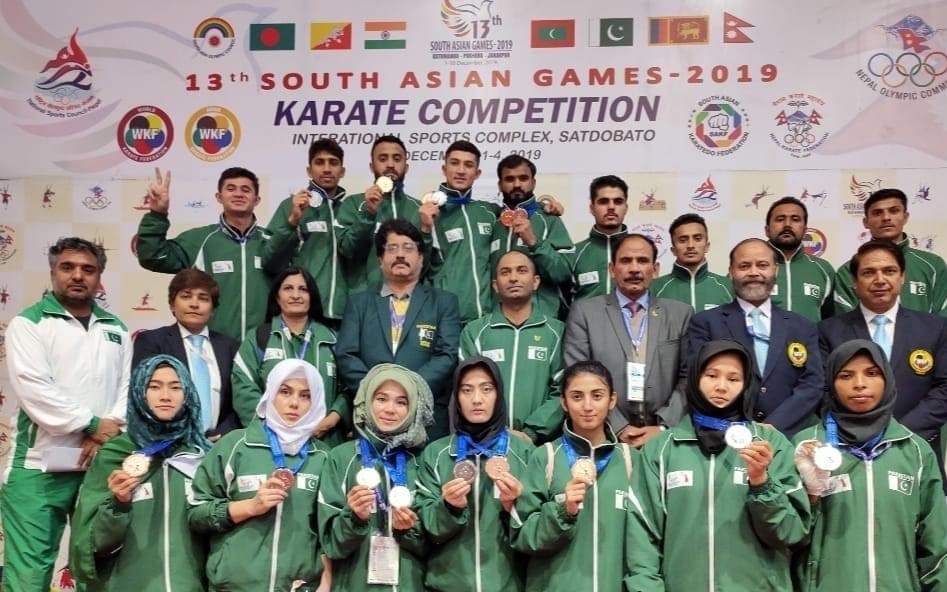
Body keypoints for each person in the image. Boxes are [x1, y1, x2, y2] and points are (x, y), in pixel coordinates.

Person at [625, 339, 811, 591]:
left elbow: (792, 532)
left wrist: (762, 483)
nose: (721, 386)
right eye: (712, 375)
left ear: (746, 385)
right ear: (695, 378)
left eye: (733, 379)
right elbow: (642, 537)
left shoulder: (769, 444)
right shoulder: (662, 449)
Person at [2, 237, 130, 591]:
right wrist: (92, 424)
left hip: (97, 464)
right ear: (53, 272)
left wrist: (106, 433)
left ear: (99, 277)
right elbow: (35, 391)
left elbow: (126, 390)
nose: (77, 276)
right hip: (38, 467)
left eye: (88, 269)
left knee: (95, 571)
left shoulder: (116, 328)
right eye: (67, 267)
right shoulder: (29, 324)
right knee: (28, 577)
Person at [793, 339, 947, 591]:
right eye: (846, 375)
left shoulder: (915, 451)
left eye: (872, 373)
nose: (859, 384)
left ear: (887, 380)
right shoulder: (806, 448)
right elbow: (786, 535)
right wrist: (811, 496)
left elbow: (937, 546)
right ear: (831, 383)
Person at [69, 355, 211, 591]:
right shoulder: (115, 455)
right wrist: (118, 505)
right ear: (138, 393)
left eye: (175, 387)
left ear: (188, 394)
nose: (165, 396)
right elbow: (92, 544)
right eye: (154, 387)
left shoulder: (202, 456)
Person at [189, 359, 332, 591]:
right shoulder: (235, 446)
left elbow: (329, 533)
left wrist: (326, 580)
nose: (294, 403)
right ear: (270, 393)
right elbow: (196, 513)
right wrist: (250, 507)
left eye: (305, 396)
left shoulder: (323, 458)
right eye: (285, 392)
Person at [818, 240, 947, 469]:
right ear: (854, 282)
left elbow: (944, 388)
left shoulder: (935, 328)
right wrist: (861, 433)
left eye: (889, 271)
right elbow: (823, 390)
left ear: (902, 277)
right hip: (851, 452)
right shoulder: (828, 331)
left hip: (918, 446)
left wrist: (901, 433)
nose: (880, 280)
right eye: (868, 273)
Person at [510, 361, 635, 592]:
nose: (587, 406)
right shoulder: (545, 457)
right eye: (577, 397)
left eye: (597, 396)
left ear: (612, 400)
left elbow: (646, 542)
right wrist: (563, 511)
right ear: (564, 402)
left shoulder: (631, 460)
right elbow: (521, 535)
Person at [416, 356, 533, 592]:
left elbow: (537, 531)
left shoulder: (524, 453)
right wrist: (449, 508)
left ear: (498, 394)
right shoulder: (436, 454)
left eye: (486, 389)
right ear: (456, 398)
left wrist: (514, 507)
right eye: (466, 390)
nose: (477, 399)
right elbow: (423, 532)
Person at [336, 219, 460, 439]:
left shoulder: (443, 302)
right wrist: (376, 391)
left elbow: (447, 355)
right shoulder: (359, 303)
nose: (400, 255)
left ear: (421, 258)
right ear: (380, 260)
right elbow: (346, 355)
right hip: (372, 415)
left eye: (408, 248)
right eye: (392, 248)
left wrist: (410, 389)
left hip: (425, 418)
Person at [564, 234, 691, 447]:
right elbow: (577, 375)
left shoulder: (680, 314)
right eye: (625, 261)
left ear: (655, 269)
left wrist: (662, 427)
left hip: (663, 438)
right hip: (604, 436)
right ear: (612, 269)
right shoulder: (585, 312)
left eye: (642, 261)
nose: (634, 268)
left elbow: (688, 378)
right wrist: (618, 427)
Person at [687, 238, 824, 435]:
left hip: (788, 437)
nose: (753, 272)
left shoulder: (802, 327)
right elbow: (697, 381)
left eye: (762, 265)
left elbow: (813, 384)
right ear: (731, 271)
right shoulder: (706, 323)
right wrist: (739, 430)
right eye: (744, 266)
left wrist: (774, 426)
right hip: (726, 435)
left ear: (775, 270)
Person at [316, 364, 434, 592]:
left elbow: (436, 547)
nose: (390, 409)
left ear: (413, 408)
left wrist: (407, 530)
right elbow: (331, 545)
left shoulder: (421, 461)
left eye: (401, 402)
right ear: (368, 401)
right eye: (381, 399)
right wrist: (355, 518)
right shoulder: (341, 458)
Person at [136, 167, 278, 340]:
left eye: (246, 190)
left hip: (262, 347)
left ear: (257, 200)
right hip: (213, 346)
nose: (238, 194)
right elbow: (153, 256)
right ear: (219, 197)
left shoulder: (273, 242)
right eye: (231, 188)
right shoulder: (200, 239)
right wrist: (157, 215)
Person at [460, 250, 565, 444]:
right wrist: (492, 431)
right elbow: (466, 388)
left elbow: (563, 389)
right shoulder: (475, 331)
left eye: (522, 270)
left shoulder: (556, 332)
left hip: (540, 445)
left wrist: (531, 432)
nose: (513, 278)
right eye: (505, 272)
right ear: (495, 285)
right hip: (485, 441)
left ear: (535, 282)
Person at [231, 266, 345, 444]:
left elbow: (348, 389)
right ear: (277, 297)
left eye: (303, 289)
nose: (296, 295)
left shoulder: (333, 340)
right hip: (271, 442)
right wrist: (272, 427)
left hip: (324, 442)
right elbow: (243, 387)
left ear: (312, 296)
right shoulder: (259, 337)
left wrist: (332, 419)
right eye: (288, 288)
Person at [132, 269, 240, 440]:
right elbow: (143, 397)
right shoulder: (152, 342)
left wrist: (222, 435)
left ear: (213, 309)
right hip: (167, 442)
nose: (194, 304)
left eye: (203, 298)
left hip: (219, 443)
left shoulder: (230, 346)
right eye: (186, 296)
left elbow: (237, 402)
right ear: (172, 305)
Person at [266, 139, 350, 323]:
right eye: (319, 162)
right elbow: (270, 261)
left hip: (344, 315)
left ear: (342, 171)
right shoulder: (290, 206)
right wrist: (292, 222)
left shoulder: (349, 209)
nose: (327, 169)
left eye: (333, 163)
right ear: (309, 170)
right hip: (303, 311)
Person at [833, 188, 947, 316]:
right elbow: (846, 323)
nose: (886, 218)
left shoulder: (934, 265)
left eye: (894, 211)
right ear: (866, 222)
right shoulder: (847, 271)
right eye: (877, 213)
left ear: (905, 217)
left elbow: (942, 321)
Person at [335, 134, 426, 293]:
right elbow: (347, 251)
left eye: (397, 159)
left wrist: (427, 231)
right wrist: (368, 214)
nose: (390, 164)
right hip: (366, 300)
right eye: (383, 159)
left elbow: (426, 262)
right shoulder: (354, 204)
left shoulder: (419, 209)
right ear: (372, 166)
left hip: (409, 301)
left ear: (406, 167)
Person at [490, 155, 574, 319]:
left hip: (542, 320)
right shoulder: (492, 221)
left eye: (523, 178)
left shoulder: (549, 219)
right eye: (509, 179)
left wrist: (535, 243)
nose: (517, 184)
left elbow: (563, 273)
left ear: (533, 182)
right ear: (500, 185)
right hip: (497, 320)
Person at [764, 196, 834, 321]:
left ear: (805, 230)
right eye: (780, 219)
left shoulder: (824, 269)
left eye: (795, 219)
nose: (787, 225)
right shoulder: (748, 267)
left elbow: (832, 321)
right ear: (767, 230)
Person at [651, 213, 732, 311]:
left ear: (707, 246)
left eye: (697, 239)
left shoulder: (728, 287)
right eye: (683, 240)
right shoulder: (655, 288)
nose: (690, 245)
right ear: (673, 250)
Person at [568, 175, 629, 302]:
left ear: (626, 208)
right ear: (592, 208)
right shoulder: (574, 254)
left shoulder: (641, 251)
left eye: (618, 201)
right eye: (603, 201)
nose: (611, 207)